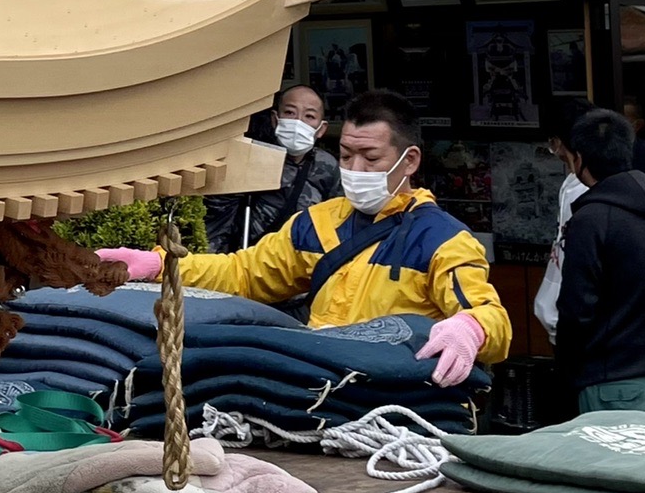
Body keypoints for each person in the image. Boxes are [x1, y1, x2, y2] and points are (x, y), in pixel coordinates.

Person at [94, 90, 511, 386]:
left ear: (410, 161)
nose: (355, 169)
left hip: (393, 395)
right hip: (316, 388)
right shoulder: (315, 223)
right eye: (346, 156)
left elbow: (490, 314)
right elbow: (244, 274)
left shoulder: (443, 239)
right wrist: (160, 264)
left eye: (371, 158)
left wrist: (471, 328)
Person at [549, 108, 645, 416]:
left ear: (579, 159)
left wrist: (567, 371)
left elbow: (576, 310)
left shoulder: (591, 219)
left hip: (610, 388)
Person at [203, 84, 341, 254]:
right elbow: (219, 220)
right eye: (290, 113)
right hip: (252, 261)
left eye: (309, 116)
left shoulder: (327, 166)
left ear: (321, 129)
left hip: (302, 263)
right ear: (275, 119)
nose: (298, 122)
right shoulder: (252, 159)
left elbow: (338, 217)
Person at [532, 101, 591, 342]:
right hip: (564, 318)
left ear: (558, 142)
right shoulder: (571, 185)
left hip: (574, 325)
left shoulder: (582, 190)